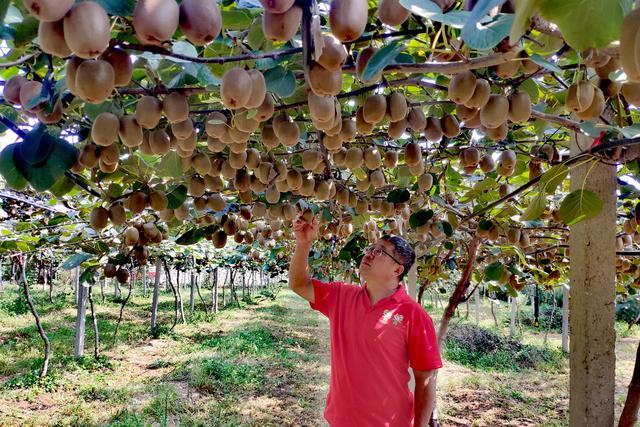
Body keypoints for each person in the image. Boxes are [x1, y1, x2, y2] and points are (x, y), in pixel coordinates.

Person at [289, 214, 442, 427]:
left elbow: (425, 379)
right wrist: (303, 243)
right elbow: (299, 284)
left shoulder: (413, 314)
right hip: (341, 420)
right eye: (371, 249)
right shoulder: (341, 296)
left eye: (379, 251)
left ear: (397, 270)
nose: (369, 254)